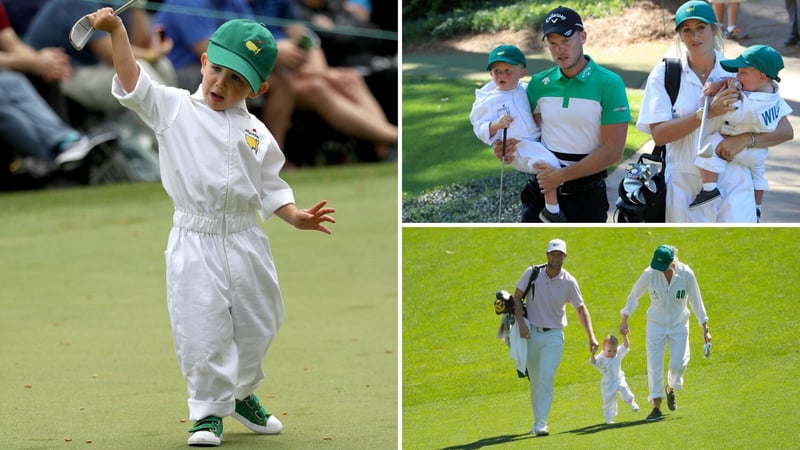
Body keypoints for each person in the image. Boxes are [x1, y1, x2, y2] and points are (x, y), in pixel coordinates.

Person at [90, 6, 336, 446]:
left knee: (261, 322)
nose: (222, 83)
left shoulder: (257, 132)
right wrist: (117, 31)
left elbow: (269, 184)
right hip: (195, 241)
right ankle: (206, 413)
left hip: (247, 241)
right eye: (218, 69)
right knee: (202, 328)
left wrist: (294, 215)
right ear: (204, 63)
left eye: (238, 79)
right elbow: (133, 83)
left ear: (259, 88)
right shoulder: (173, 108)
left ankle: (240, 394)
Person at [156, 0, 397, 163]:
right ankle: (393, 139)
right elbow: (211, 51)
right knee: (297, 84)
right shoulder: (186, 2)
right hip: (190, 76)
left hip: (250, 72)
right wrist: (274, 54)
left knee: (337, 78)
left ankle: (270, 160)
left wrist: (317, 70)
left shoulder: (235, 3)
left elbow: (299, 38)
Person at [636, 0, 794, 222]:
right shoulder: (665, 74)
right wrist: (707, 112)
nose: (694, 36)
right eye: (687, 30)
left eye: (701, 28)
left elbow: (785, 130)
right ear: (680, 35)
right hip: (684, 185)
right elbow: (659, 135)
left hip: (735, 179)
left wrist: (746, 139)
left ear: (714, 29)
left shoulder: (740, 69)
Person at [494, 6, 630, 223]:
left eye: (565, 41)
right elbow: (528, 132)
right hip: (540, 190)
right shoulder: (539, 84)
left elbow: (613, 152)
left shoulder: (609, 84)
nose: (560, 50)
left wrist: (560, 176)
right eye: (553, 44)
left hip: (587, 196)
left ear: (583, 37)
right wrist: (505, 148)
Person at [691, 45, 792, 222]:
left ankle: (709, 189)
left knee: (708, 146)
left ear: (762, 76)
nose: (737, 77)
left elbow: (734, 115)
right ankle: (757, 208)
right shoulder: (772, 93)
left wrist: (726, 97)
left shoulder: (752, 105)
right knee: (759, 176)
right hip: (758, 152)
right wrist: (723, 83)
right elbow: (736, 80)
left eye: (743, 72)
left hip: (735, 145)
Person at [510, 238, 599, 436]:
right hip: (531, 334)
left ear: (564, 257)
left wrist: (591, 336)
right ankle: (537, 421)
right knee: (535, 380)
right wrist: (522, 324)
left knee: (546, 377)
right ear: (547, 255)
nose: (556, 258)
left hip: (554, 337)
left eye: (560, 255)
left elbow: (581, 310)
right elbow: (516, 297)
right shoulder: (532, 273)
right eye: (553, 254)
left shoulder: (569, 282)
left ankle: (541, 424)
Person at [470, 44, 565, 222]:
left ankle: (551, 206)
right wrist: (495, 125)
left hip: (537, 140)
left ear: (521, 73)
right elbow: (478, 125)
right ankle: (552, 211)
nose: (501, 75)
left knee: (552, 164)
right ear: (490, 73)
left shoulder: (526, 89)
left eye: (508, 70)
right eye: (496, 71)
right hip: (518, 145)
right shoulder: (488, 99)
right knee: (548, 164)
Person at [618, 245, 710, 422]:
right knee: (654, 365)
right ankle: (656, 407)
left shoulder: (686, 274)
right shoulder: (650, 273)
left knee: (679, 363)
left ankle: (670, 388)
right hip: (656, 325)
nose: (658, 270)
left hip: (679, 325)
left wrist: (705, 328)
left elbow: (697, 302)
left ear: (673, 263)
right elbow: (634, 296)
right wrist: (624, 319)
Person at [589, 333, 640, 425]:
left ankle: (632, 403)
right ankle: (609, 418)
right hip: (608, 383)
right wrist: (593, 354)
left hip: (618, 378)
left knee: (625, 389)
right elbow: (594, 362)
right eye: (609, 351)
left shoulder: (618, 354)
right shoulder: (601, 358)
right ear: (603, 349)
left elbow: (626, 346)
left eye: (614, 351)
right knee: (609, 400)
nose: (612, 353)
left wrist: (624, 335)